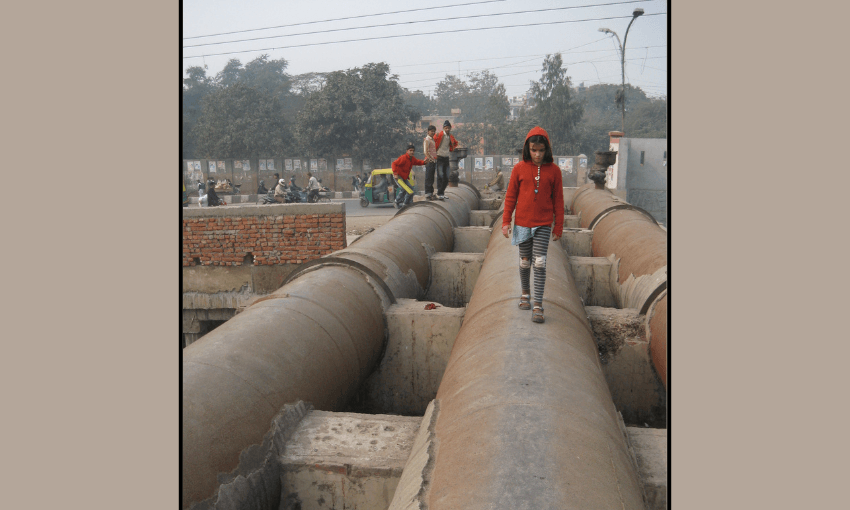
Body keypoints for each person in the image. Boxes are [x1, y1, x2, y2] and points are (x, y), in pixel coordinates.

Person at [501, 126, 564, 324]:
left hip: (543, 224)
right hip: (522, 223)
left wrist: (558, 226)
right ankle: (525, 293)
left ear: (547, 150)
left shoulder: (554, 171)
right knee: (524, 261)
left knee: (540, 262)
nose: (537, 154)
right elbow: (511, 196)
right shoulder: (519, 169)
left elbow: (559, 200)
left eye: (541, 150)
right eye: (533, 150)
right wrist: (505, 221)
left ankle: (538, 304)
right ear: (527, 148)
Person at [392, 143, 426, 208]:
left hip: (404, 177)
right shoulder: (403, 158)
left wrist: (424, 162)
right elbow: (394, 163)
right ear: (407, 151)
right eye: (410, 150)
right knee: (403, 189)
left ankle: (405, 203)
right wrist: (395, 174)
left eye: (413, 151)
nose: (412, 152)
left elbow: (417, 162)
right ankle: (396, 202)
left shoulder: (412, 159)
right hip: (398, 177)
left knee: (411, 189)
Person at [432, 120, 459, 200]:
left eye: (448, 128)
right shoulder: (439, 134)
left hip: (446, 157)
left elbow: (456, 142)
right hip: (439, 157)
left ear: (450, 128)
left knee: (447, 177)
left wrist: (452, 148)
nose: (447, 129)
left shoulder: (450, 136)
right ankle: (439, 193)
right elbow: (433, 140)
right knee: (440, 175)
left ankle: (442, 192)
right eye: (446, 128)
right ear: (443, 128)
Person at [422, 125, 438, 200]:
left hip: (433, 161)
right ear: (428, 131)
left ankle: (431, 193)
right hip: (429, 161)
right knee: (428, 177)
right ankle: (427, 193)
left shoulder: (432, 140)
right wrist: (430, 158)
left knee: (431, 178)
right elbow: (425, 151)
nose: (433, 132)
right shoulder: (427, 140)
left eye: (434, 131)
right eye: (432, 131)